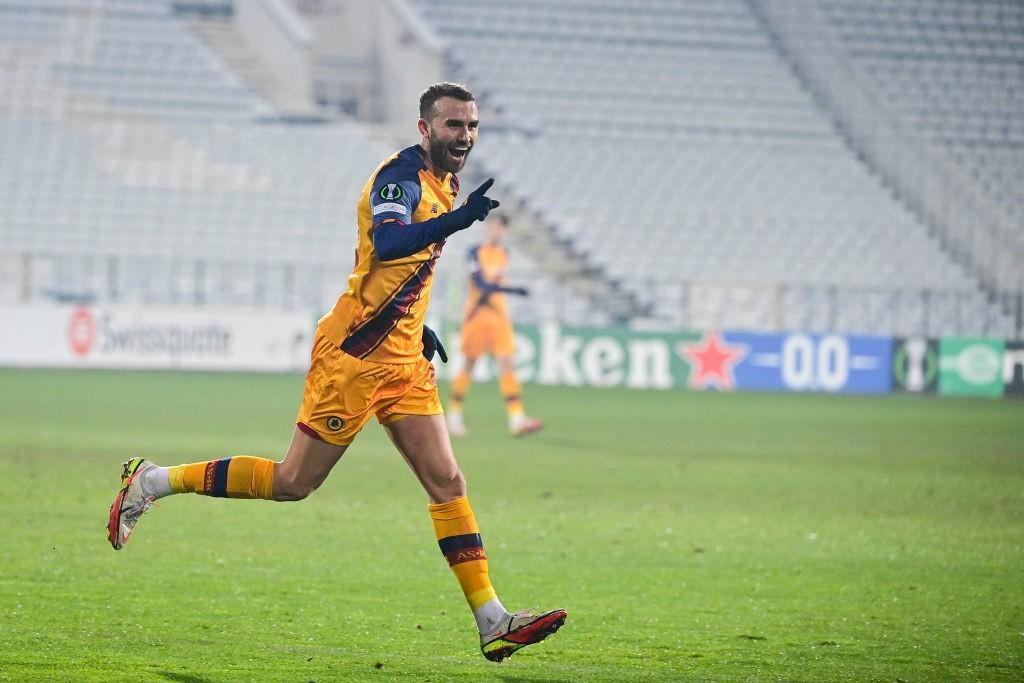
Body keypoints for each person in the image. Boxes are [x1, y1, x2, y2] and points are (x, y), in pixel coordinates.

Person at [106, 82, 566, 663]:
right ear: (425, 129)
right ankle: (151, 481)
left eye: (472, 126)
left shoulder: (443, 182)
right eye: (454, 125)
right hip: (352, 360)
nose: (465, 136)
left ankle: (492, 620)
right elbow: (392, 240)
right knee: (292, 483)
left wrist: (413, 322)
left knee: (448, 483)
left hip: (402, 361)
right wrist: (459, 221)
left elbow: (393, 269)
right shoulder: (398, 178)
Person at [446, 215, 543, 437]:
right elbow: (480, 284)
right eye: (492, 227)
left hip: (499, 317)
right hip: (477, 315)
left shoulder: (503, 255)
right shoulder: (473, 252)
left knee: (507, 364)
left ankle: (517, 418)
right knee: (469, 365)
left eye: (499, 228)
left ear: (504, 232)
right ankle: (454, 414)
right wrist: (514, 290)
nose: (494, 231)